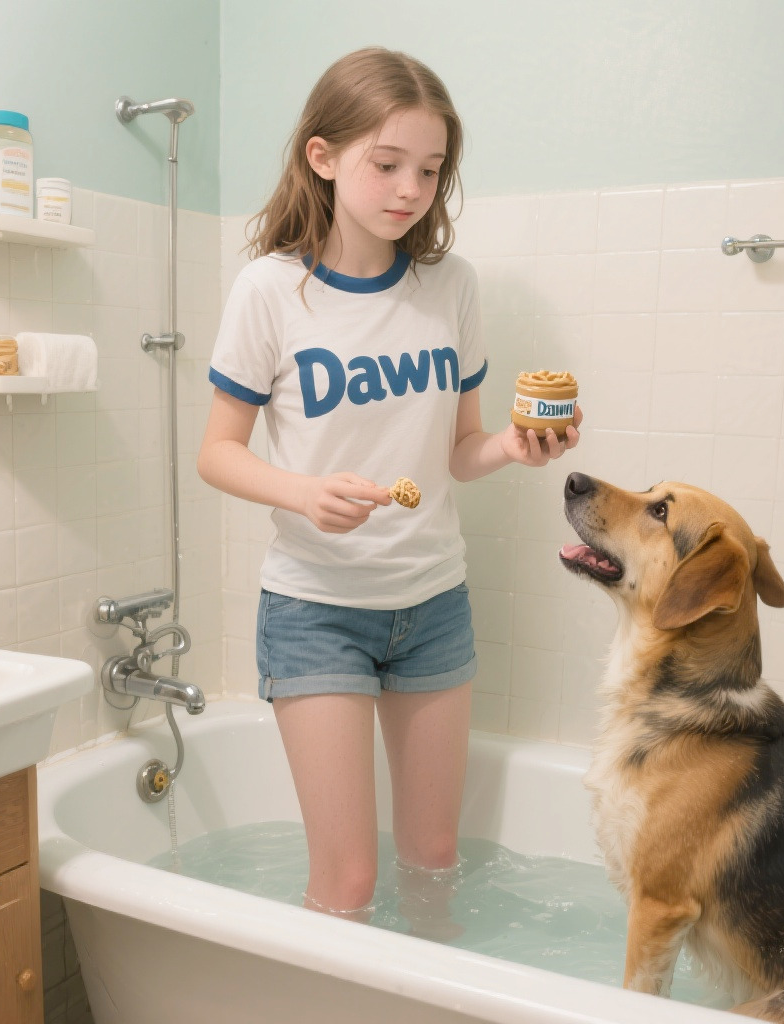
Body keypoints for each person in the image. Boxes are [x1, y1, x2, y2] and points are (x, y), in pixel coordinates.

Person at [197, 46, 582, 920]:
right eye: (387, 164)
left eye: (431, 170)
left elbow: (460, 449)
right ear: (322, 157)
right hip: (314, 610)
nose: (411, 189)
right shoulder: (271, 290)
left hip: (432, 602)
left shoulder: (451, 287)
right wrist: (302, 492)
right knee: (349, 882)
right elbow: (217, 451)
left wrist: (515, 451)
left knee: (435, 859)